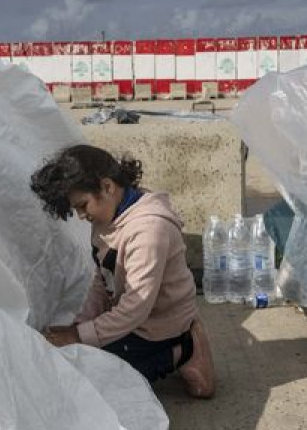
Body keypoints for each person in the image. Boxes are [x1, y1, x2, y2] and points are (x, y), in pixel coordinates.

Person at [31, 144, 216, 398]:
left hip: (158, 327)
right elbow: (102, 277)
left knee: (108, 379)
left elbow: (134, 308)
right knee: (79, 364)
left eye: (83, 206)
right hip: (135, 320)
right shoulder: (109, 217)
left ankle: (186, 348)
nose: (81, 216)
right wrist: (80, 324)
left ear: (107, 187)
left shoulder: (149, 231)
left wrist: (78, 335)